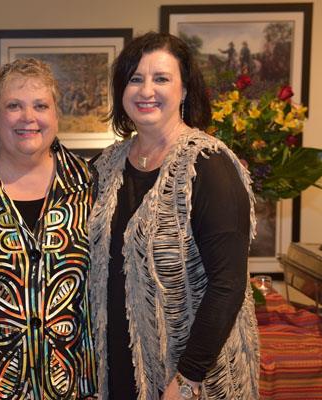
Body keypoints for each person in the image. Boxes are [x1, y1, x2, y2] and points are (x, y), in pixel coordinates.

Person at [88, 32, 259, 399]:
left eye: (161, 78)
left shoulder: (209, 165)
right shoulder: (106, 165)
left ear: (183, 91)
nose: (146, 90)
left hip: (192, 377)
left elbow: (227, 285)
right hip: (119, 368)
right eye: (135, 79)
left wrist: (187, 379)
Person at [0, 58, 97, 399]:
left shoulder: (89, 183)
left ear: (56, 115)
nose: (28, 117)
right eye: (14, 106)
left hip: (68, 386)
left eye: (40, 105)